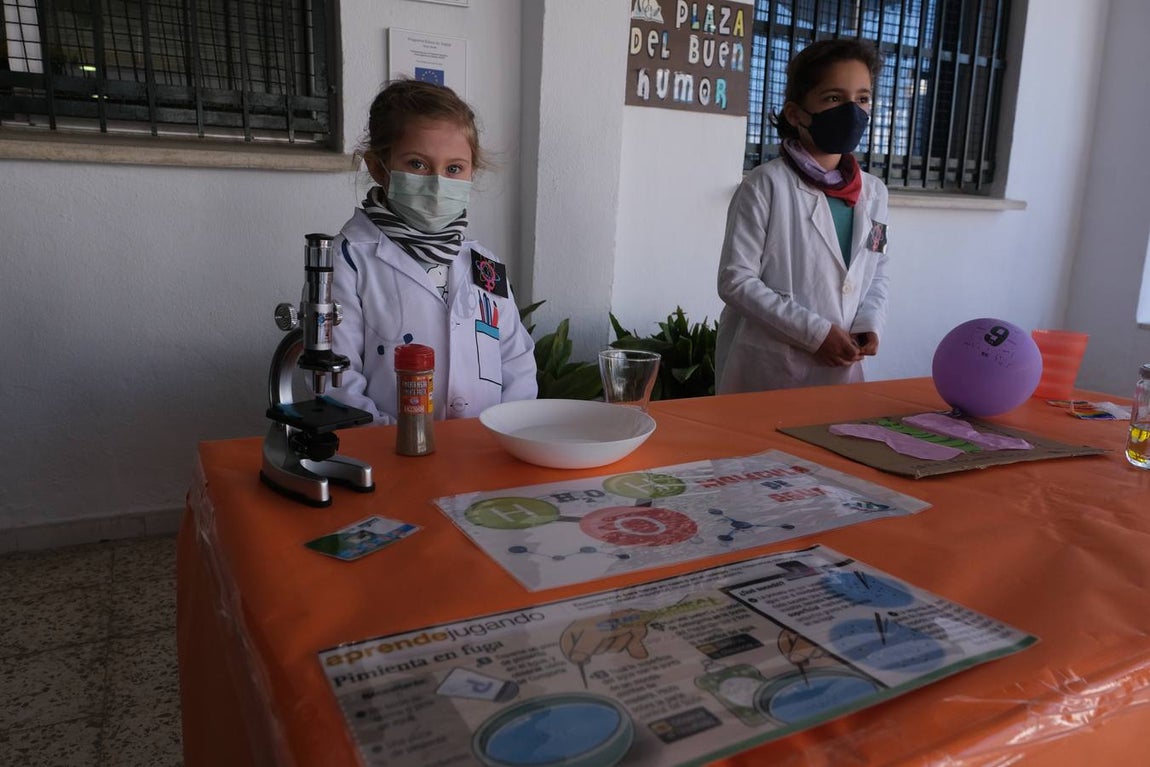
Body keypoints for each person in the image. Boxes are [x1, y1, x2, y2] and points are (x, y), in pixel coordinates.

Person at [327, 79, 537, 423]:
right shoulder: (348, 259)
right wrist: (398, 442)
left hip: (484, 453)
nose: (438, 183)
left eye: (454, 168)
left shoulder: (484, 264)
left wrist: (505, 430)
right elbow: (337, 378)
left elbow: (516, 361)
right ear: (379, 167)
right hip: (391, 456)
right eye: (418, 165)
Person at [715, 39, 890, 393]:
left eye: (862, 98)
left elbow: (877, 269)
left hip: (841, 367)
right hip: (768, 370)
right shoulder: (766, 185)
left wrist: (870, 322)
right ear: (796, 114)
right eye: (834, 98)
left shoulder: (873, 193)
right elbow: (736, 281)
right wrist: (815, 334)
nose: (852, 110)